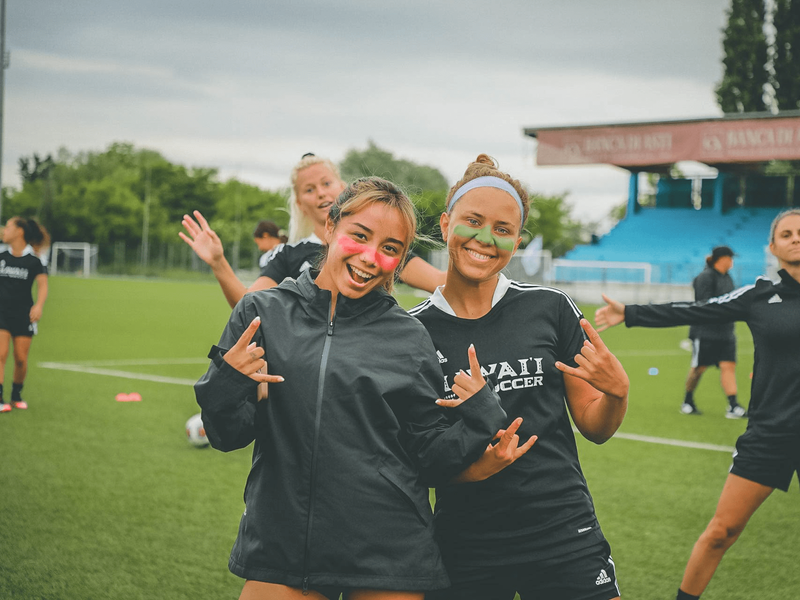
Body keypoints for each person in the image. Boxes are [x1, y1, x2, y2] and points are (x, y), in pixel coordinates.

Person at [195, 176, 510, 600]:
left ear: (399, 261)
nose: (370, 257)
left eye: (390, 248)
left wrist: (480, 415)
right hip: (287, 548)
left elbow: (428, 456)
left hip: (388, 554)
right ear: (330, 228)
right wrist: (228, 379)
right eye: (359, 236)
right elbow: (226, 434)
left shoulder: (408, 337)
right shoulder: (262, 313)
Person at [409, 154, 629, 600]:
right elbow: (416, 459)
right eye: (473, 221)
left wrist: (617, 394)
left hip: (565, 533)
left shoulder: (550, 309)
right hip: (466, 544)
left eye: (503, 229)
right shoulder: (410, 332)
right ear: (447, 223)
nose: (485, 238)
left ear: (517, 241)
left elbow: (594, 426)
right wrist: (477, 469)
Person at [594, 208, 800, 600]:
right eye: (786, 234)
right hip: (770, 434)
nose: (795, 238)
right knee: (720, 533)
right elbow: (697, 310)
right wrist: (631, 312)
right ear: (772, 247)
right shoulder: (759, 293)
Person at [179, 154, 446, 308]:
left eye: (326, 183)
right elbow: (249, 306)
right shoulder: (288, 254)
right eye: (309, 189)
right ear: (300, 204)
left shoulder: (379, 250)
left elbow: (440, 281)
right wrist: (218, 263)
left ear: (342, 186)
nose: (320, 193)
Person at [680, 245, 746, 418]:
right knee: (698, 369)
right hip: (705, 332)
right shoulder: (705, 277)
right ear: (721, 258)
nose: (732, 261)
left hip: (726, 332)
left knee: (728, 366)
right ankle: (687, 400)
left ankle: (733, 405)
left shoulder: (728, 277)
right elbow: (705, 304)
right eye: (730, 257)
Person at [0, 217, 49, 413]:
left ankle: (16, 395)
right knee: (0, 354)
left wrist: (39, 305)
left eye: (8, 227)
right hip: (1, 312)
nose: (4, 230)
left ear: (19, 231)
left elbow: (43, 284)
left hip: (23, 315)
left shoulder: (35, 260)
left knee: (20, 358)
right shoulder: (2, 256)